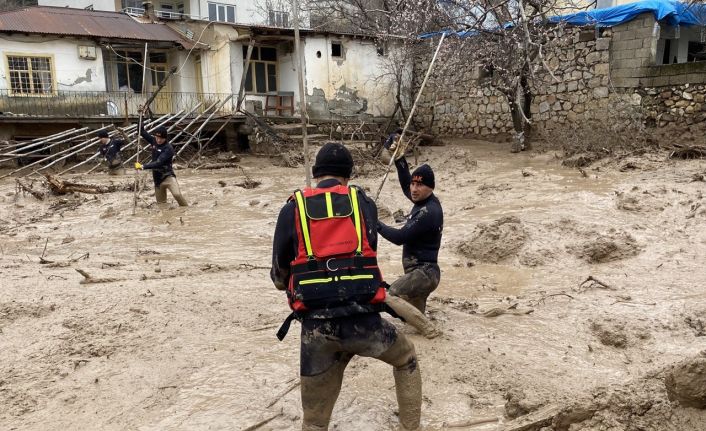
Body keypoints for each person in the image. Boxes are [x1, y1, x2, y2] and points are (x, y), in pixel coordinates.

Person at [271, 142, 422, 431]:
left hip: (317, 330)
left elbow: (280, 278)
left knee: (314, 422)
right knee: (407, 359)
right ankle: (411, 428)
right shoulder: (364, 204)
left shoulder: (291, 209)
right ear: (348, 176)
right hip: (364, 322)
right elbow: (369, 254)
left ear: (315, 175)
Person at [377, 154, 443, 313]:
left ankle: (429, 332)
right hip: (419, 274)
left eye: (419, 185)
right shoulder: (422, 200)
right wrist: (400, 160)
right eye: (413, 184)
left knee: (391, 295)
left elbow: (399, 238)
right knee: (414, 319)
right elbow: (406, 183)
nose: (413, 189)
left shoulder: (428, 211)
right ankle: (426, 335)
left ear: (431, 187)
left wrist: (374, 222)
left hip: (424, 274)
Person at [134, 125, 188, 207]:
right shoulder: (153, 141)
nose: (158, 140)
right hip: (157, 179)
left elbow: (159, 162)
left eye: (161, 138)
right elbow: (141, 131)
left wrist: (142, 166)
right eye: (157, 137)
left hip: (168, 176)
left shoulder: (168, 148)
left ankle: (186, 209)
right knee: (161, 205)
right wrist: (142, 115)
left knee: (177, 195)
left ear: (165, 138)